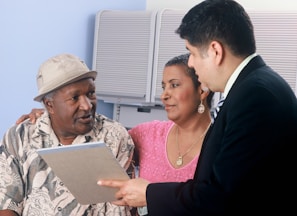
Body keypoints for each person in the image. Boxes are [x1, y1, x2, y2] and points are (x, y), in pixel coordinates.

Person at [98, 0, 297, 215]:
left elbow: (220, 197)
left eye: (191, 52)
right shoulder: (258, 85)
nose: (191, 63)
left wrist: (148, 193)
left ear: (215, 51)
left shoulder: (254, 97)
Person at [15, 53, 214, 216]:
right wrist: (50, 116)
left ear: (202, 90)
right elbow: (103, 135)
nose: (164, 95)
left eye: (174, 85)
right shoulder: (149, 134)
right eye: (163, 86)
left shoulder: (223, 145)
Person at [0, 53, 135, 215]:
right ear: (49, 105)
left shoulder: (114, 137)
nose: (87, 105)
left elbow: (119, 207)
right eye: (75, 98)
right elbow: (8, 202)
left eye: (91, 93)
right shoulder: (19, 137)